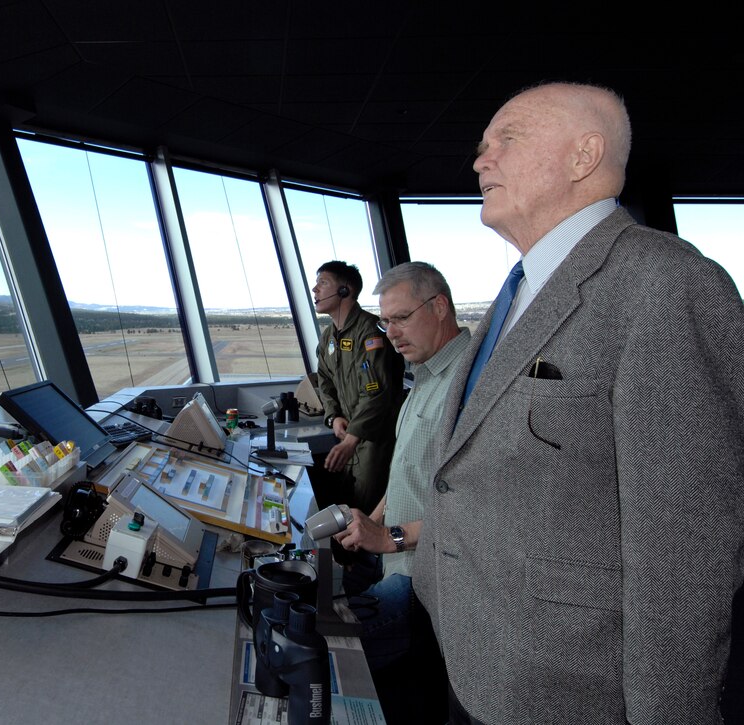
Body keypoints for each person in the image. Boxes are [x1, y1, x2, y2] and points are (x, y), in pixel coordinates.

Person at [412, 82, 744, 725]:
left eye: (507, 140)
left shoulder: (668, 286)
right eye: (483, 148)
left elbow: (684, 559)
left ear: (583, 155)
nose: (482, 160)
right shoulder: (519, 293)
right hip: (474, 658)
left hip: (568, 692)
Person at [334, 262, 469, 723]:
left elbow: (475, 510)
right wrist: (369, 521)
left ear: (440, 306)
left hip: (425, 578)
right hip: (394, 554)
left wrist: (387, 536)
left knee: (325, 654)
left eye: (402, 318)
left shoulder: (468, 387)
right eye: (385, 320)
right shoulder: (424, 375)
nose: (390, 332)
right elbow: (407, 473)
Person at [312, 260, 404, 512]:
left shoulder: (371, 333)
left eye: (323, 283)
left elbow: (378, 394)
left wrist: (352, 439)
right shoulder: (328, 336)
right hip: (348, 436)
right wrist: (334, 416)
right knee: (347, 505)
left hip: (374, 440)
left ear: (345, 290)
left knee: (368, 508)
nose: (314, 290)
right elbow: (324, 379)